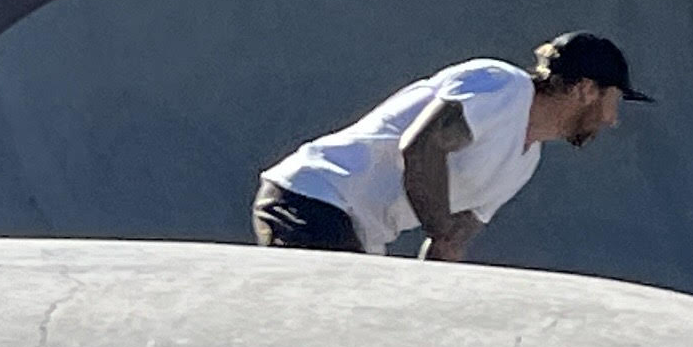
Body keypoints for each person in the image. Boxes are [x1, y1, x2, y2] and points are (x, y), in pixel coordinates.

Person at [252, 32, 649, 258]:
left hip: (358, 233)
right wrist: (439, 224)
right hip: (315, 197)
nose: (612, 119)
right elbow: (421, 147)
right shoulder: (502, 87)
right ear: (585, 89)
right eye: (613, 100)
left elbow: (449, 245)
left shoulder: (525, 162)